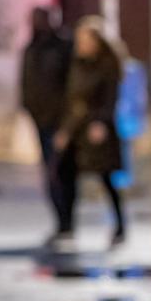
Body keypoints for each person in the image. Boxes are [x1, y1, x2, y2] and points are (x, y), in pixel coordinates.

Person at [53, 15, 127, 247]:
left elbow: (109, 99)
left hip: (97, 128)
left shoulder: (108, 65)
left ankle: (120, 226)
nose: (81, 44)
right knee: (65, 174)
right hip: (76, 128)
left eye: (86, 39)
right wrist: (64, 130)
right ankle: (67, 225)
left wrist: (101, 123)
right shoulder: (76, 64)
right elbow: (71, 99)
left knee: (105, 178)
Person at [20, 6, 73, 243]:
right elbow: (27, 83)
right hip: (41, 120)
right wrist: (30, 109)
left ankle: (67, 222)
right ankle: (62, 222)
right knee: (51, 172)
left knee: (63, 172)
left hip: (61, 121)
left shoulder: (63, 46)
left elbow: (71, 84)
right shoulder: (31, 48)